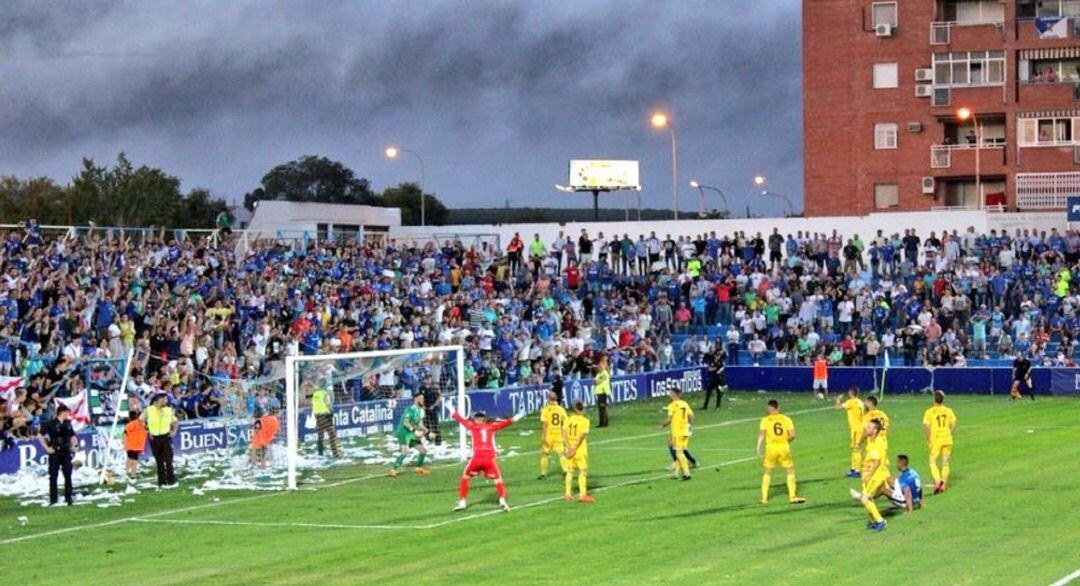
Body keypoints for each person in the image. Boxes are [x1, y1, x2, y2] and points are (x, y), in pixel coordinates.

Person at [450, 407, 524, 512]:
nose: (473, 420)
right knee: (498, 480)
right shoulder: (491, 427)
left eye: (475, 418)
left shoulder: (472, 426)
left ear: (478, 420)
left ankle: (462, 502)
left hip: (476, 458)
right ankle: (502, 501)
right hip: (489, 459)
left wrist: (452, 410)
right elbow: (506, 423)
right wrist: (517, 417)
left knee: (465, 477)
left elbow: (460, 419)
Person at [756, 399, 806, 505]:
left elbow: (761, 435)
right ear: (778, 408)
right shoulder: (786, 419)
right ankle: (792, 496)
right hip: (784, 447)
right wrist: (786, 442)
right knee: (789, 471)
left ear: (769, 408)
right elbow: (792, 435)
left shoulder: (765, 420)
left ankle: (764, 498)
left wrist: (758, 448)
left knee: (767, 471)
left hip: (771, 449)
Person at [38, 404, 77, 505]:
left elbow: (73, 436)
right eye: (67, 412)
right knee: (53, 476)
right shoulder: (50, 424)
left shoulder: (68, 424)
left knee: (68, 475)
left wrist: (74, 446)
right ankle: (53, 499)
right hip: (55, 451)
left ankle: (68, 497)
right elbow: (40, 435)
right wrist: (47, 448)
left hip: (66, 450)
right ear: (63, 412)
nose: (68, 414)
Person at [856, 418, 889, 531]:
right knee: (869, 498)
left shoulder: (878, 442)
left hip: (876, 475)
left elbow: (877, 461)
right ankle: (875, 520)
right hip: (871, 473)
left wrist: (868, 475)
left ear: (875, 431)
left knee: (865, 498)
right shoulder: (871, 439)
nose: (867, 429)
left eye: (869, 428)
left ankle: (880, 521)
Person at [140, 392, 178, 486]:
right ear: (159, 399)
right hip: (155, 438)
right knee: (159, 460)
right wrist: (148, 431)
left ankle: (171, 479)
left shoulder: (168, 410)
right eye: (164, 399)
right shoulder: (148, 410)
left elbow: (175, 421)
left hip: (166, 436)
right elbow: (141, 421)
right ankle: (162, 481)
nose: (166, 401)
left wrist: (174, 431)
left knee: (168, 459)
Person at [922, 390, 957, 494]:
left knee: (932, 461)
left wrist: (929, 439)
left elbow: (926, 426)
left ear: (934, 399)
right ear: (943, 400)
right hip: (947, 438)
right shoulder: (948, 411)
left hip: (936, 439)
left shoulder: (929, 412)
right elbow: (954, 424)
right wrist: (949, 433)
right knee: (945, 463)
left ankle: (938, 481)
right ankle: (944, 484)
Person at [389, 393, 430, 477]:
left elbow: (420, 425)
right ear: (415, 399)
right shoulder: (410, 409)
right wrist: (415, 431)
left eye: (423, 398)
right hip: (403, 432)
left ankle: (418, 468)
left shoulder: (420, 411)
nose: (423, 400)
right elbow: (405, 422)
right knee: (405, 452)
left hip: (410, 433)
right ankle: (393, 470)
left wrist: (428, 432)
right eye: (420, 398)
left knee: (423, 450)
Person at [562, 401, 594, 503]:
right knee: (583, 471)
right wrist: (574, 448)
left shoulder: (568, 420)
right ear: (582, 409)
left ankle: (567, 493)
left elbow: (563, 434)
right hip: (579, 450)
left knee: (570, 471)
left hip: (569, 448)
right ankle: (583, 495)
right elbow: (582, 436)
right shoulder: (585, 421)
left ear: (574, 409)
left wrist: (569, 447)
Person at [660, 387, 693, 480]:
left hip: (678, 432)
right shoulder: (685, 404)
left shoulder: (672, 405)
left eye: (670, 393)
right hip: (686, 430)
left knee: (679, 453)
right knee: (680, 452)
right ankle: (676, 473)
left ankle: (687, 473)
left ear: (675, 394)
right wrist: (689, 426)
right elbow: (691, 416)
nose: (669, 395)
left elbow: (669, 419)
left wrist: (662, 425)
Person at [835, 386, 864, 478]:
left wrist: (838, 399)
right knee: (854, 449)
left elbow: (837, 407)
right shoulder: (860, 402)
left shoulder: (851, 402)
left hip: (856, 430)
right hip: (859, 428)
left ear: (851, 393)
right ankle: (853, 468)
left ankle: (858, 471)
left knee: (856, 450)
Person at [538, 390, 567, 480]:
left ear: (548, 399)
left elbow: (545, 424)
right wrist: (563, 432)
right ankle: (565, 470)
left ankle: (543, 474)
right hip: (558, 434)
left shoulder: (545, 410)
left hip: (549, 435)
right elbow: (566, 422)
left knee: (545, 454)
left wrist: (544, 436)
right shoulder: (561, 409)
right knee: (561, 454)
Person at [310, 383, 341, 458]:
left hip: (317, 416)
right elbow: (328, 405)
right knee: (332, 435)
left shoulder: (314, 394)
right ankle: (335, 454)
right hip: (325, 416)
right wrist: (331, 413)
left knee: (320, 435)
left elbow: (313, 405)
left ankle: (320, 453)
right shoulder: (324, 394)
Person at [124, 409, 147, 481]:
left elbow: (125, 434)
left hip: (130, 446)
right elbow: (146, 431)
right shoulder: (141, 424)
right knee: (134, 460)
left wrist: (124, 444)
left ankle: (127, 472)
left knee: (129, 459)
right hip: (138, 446)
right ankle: (133, 475)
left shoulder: (128, 425)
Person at [702, 345, 727, 410]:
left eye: (719, 355)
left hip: (718, 378)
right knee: (708, 392)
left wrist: (718, 369)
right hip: (712, 378)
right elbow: (710, 369)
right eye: (717, 355)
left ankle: (718, 406)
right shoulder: (712, 360)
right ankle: (705, 406)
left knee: (718, 392)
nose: (717, 356)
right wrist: (716, 368)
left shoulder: (720, 361)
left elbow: (722, 368)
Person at [594, 355, 611, 427]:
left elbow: (597, 382)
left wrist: (596, 381)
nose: (599, 367)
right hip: (599, 392)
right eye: (599, 366)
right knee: (602, 408)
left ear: (604, 367)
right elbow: (595, 382)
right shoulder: (599, 374)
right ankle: (605, 422)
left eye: (601, 366)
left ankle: (603, 423)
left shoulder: (604, 374)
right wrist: (596, 381)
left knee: (602, 407)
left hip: (603, 392)